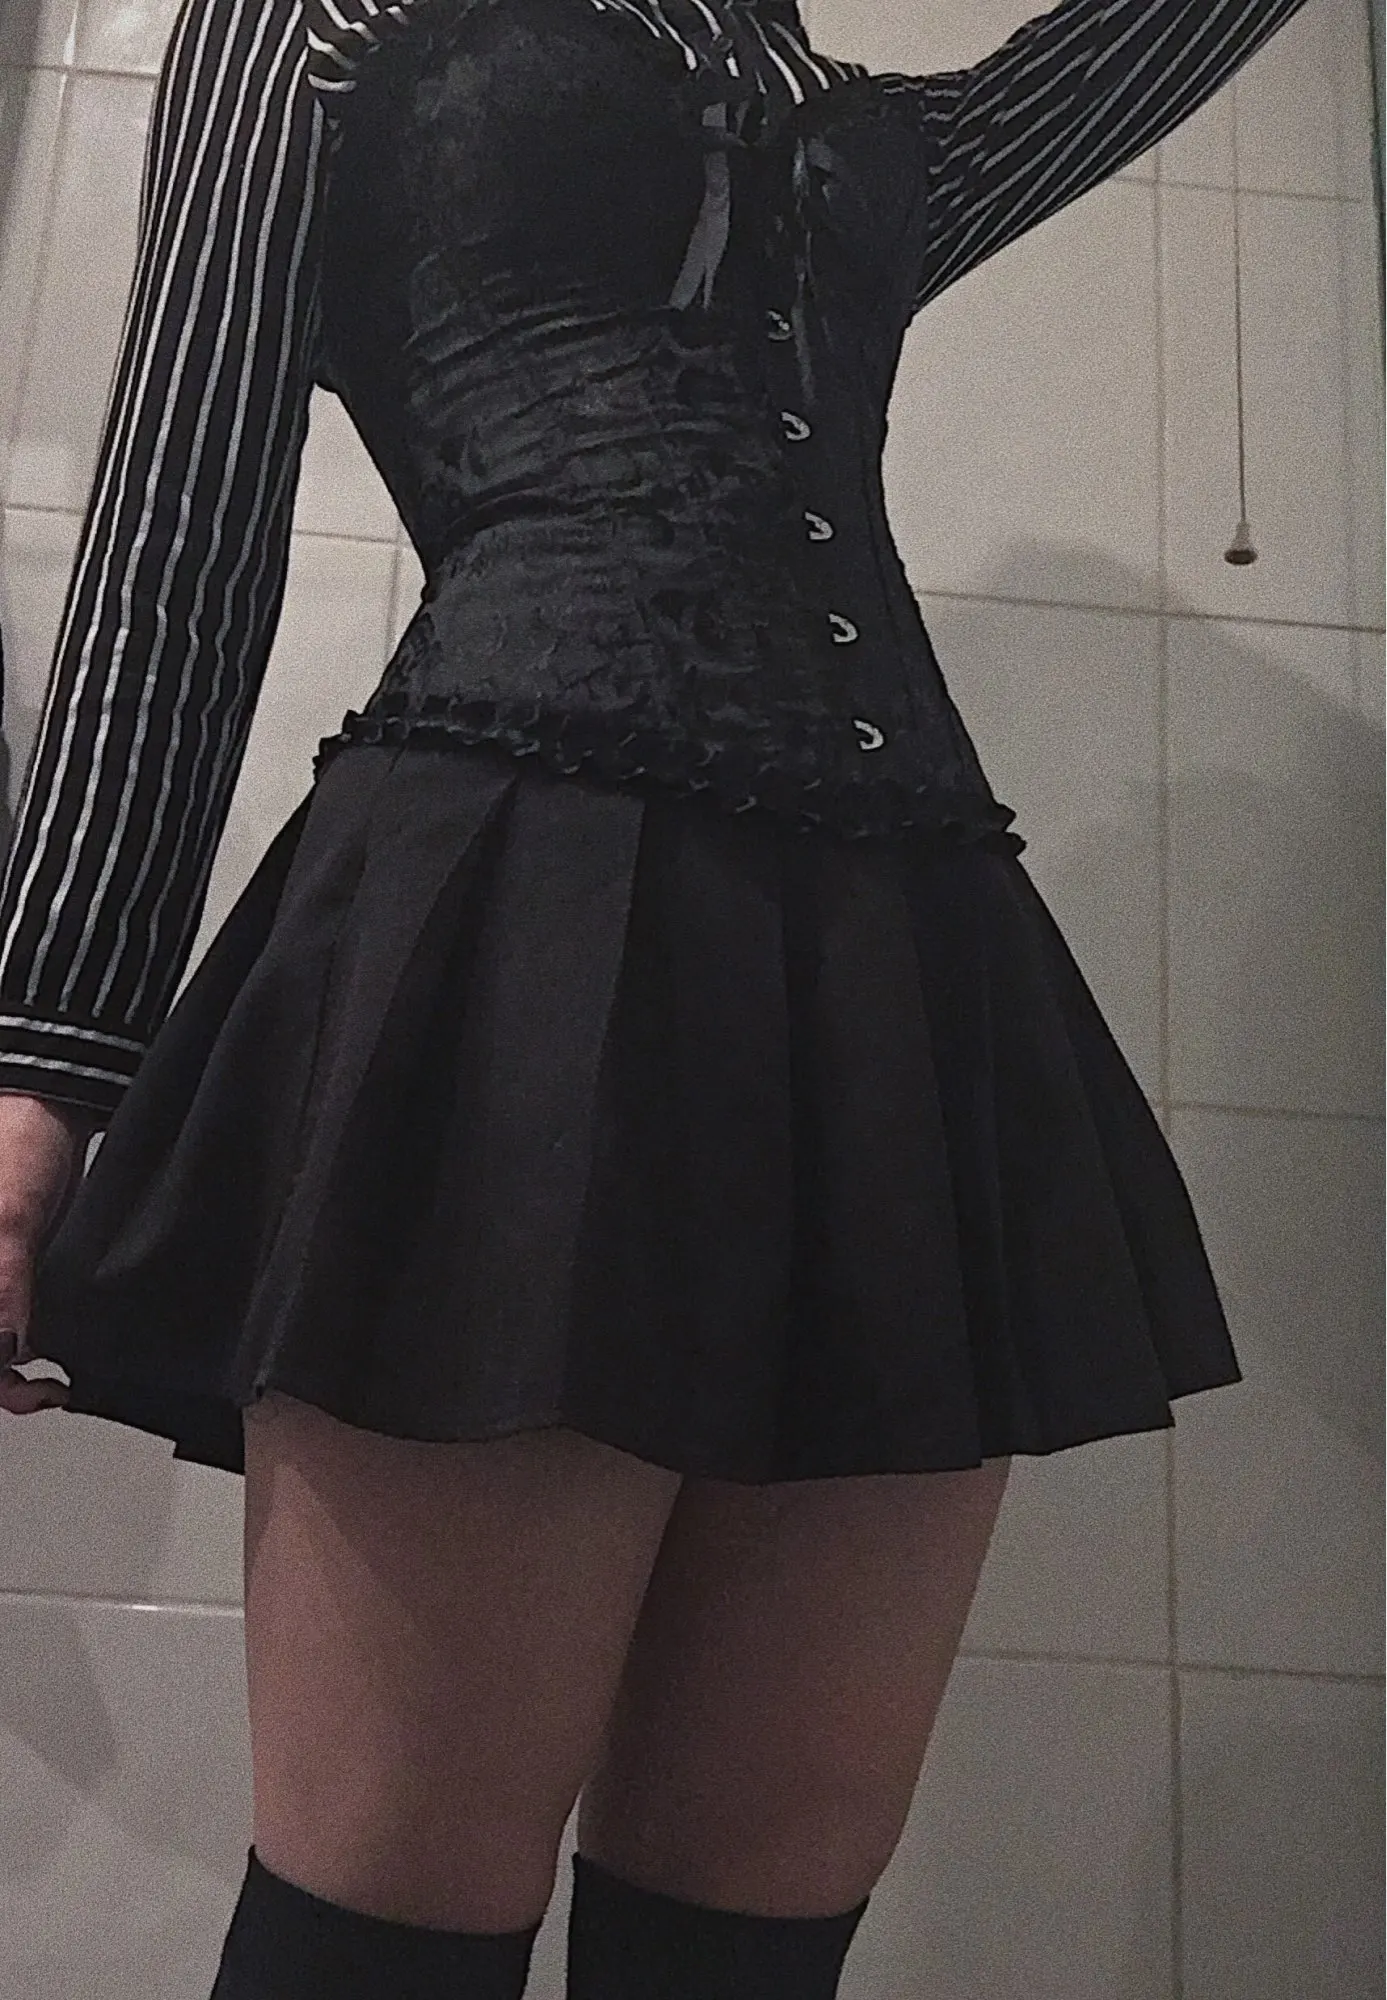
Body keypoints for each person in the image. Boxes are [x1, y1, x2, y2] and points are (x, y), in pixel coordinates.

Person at [0, 0, 1307, 1993]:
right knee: (387, 1932)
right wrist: (44, 1067)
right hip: (518, 942)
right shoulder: (317, 15)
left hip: (897, 980)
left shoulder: (860, 122)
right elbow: (183, 528)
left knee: (746, 1944)